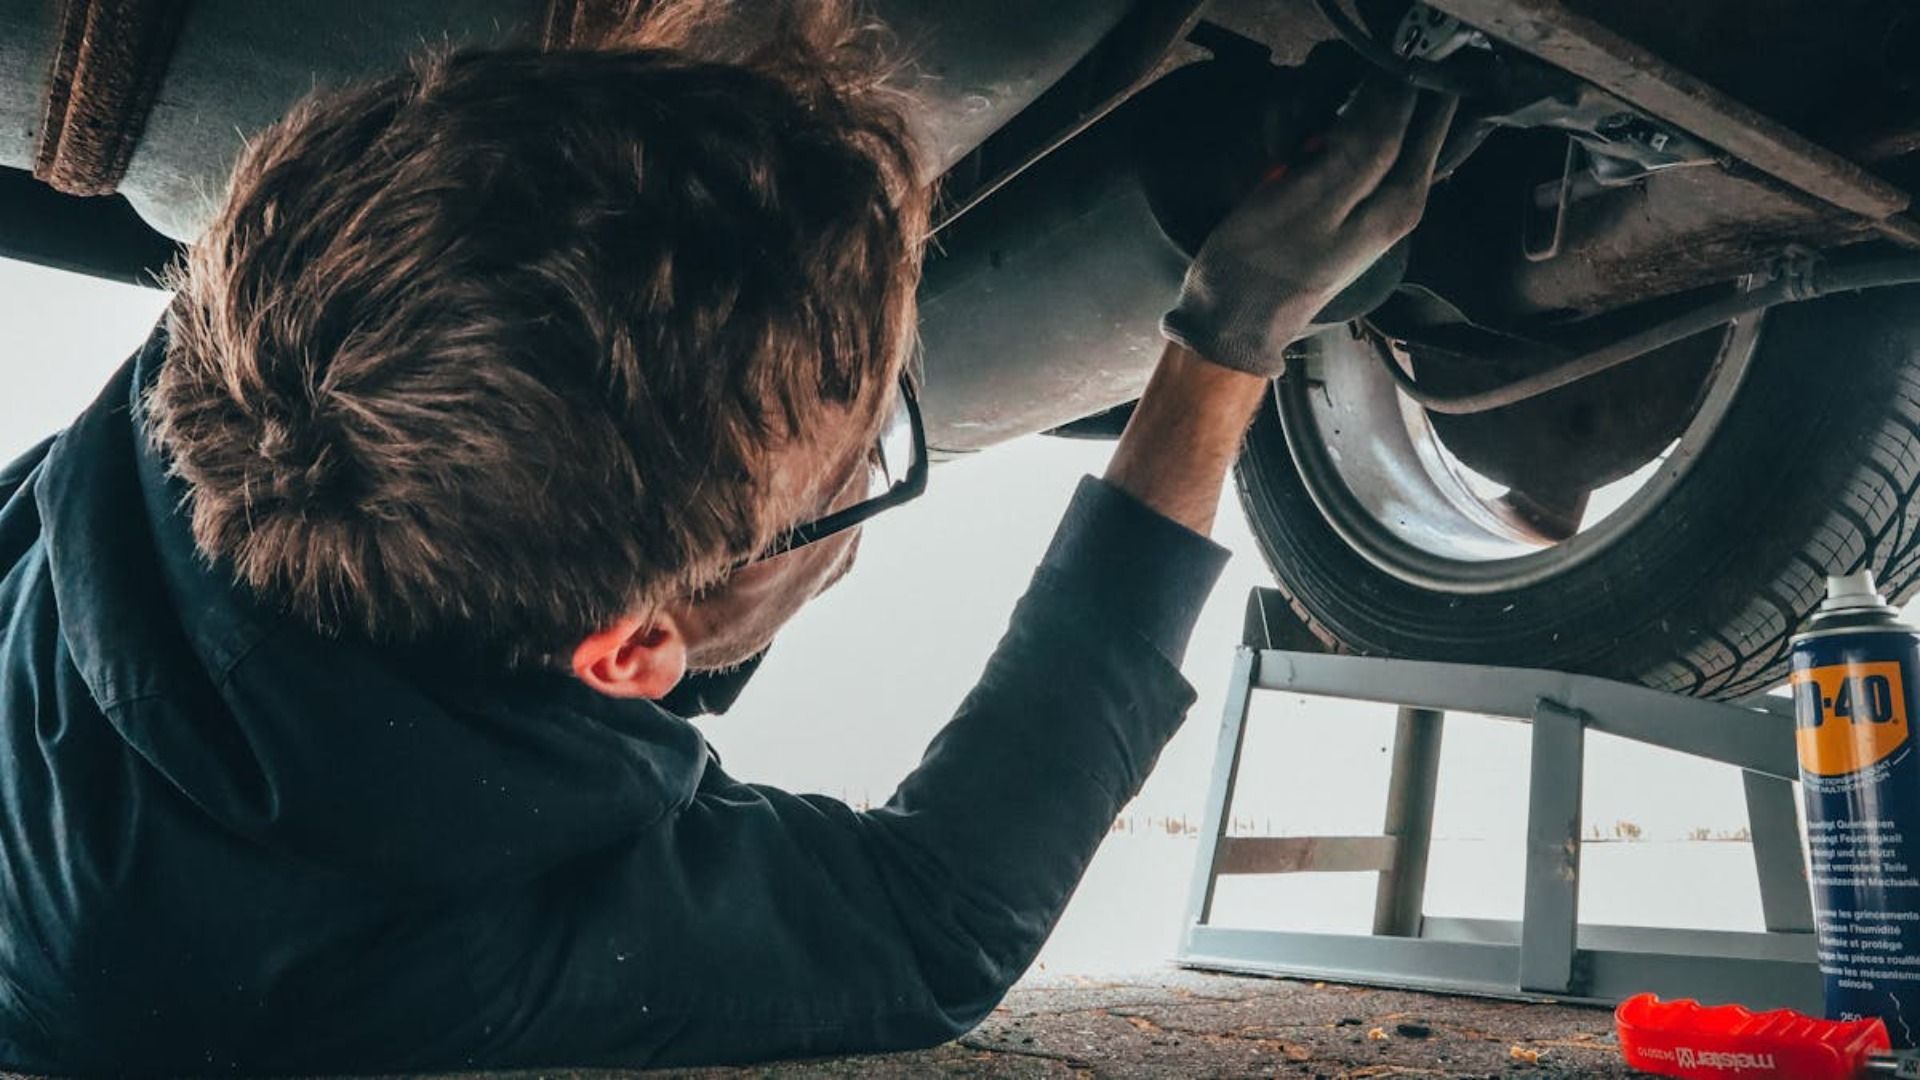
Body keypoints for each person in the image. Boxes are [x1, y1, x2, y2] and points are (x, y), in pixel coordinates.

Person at [0, 3, 1453, 1072]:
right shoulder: (373, 951)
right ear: (633, 649)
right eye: (867, 457)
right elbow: (934, 924)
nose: (875, 464)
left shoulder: (282, 338)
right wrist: (1223, 347)